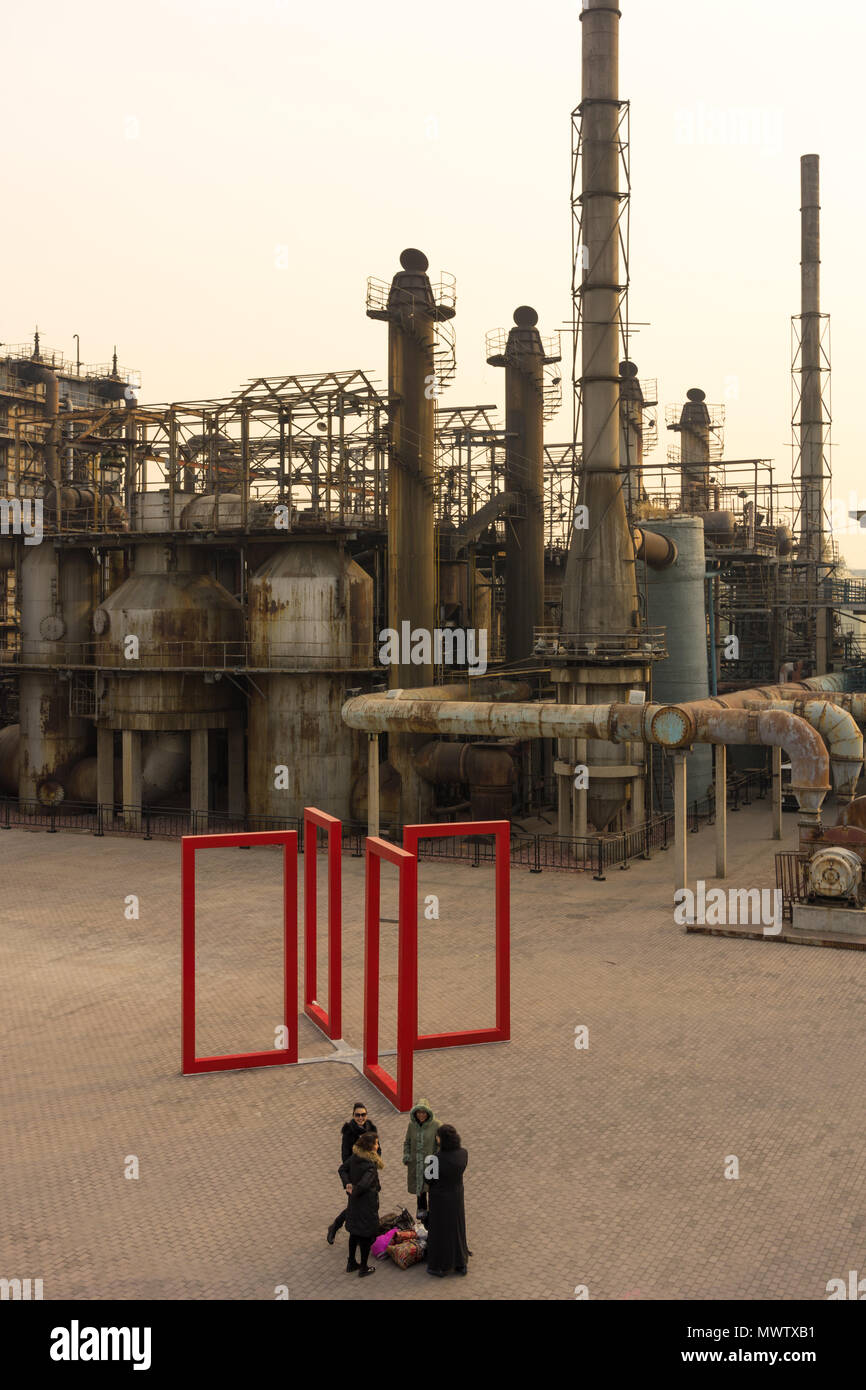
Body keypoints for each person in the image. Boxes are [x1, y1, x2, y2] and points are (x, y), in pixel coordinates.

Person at [327, 1103, 381, 1245]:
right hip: (355, 1175)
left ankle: (370, 1233)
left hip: (370, 1173)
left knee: (371, 1204)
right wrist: (351, 1175)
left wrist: (373, 1163)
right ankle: (335, 1226)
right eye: (357, 1115)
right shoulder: (348, 1132)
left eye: (363, 1114)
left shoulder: (371, 1129)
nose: (360, 1117)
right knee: (354, 1206)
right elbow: (345, 1156)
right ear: (353, 1116)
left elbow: (378, 1149)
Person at [425, 1123, 470, 1278]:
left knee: (440, 1231)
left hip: (439, 1200)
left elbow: (428, 1179)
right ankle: (460, 1262)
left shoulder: (435, 1159)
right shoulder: (463, 1154)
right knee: (457, 1227)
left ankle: (440, 1265)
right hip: (456, 1197)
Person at [338, 1131, 383, 1277]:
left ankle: (351, 1262)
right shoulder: (370, 1165)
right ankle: (363, 1267)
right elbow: (364, 1184)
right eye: (376, 1143)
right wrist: (355, 1190)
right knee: (365, 1236)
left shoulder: (355, 1156)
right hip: (367, 1205)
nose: (378, 1145)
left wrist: (348, 1184)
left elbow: (342, 1169)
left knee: (354, 1233)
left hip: (354, 1203)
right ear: (370, 1146)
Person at [402, 1098, 438, 1222]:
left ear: (428, 1113)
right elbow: (407, 1142)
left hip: (431, 1165)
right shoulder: (412, 1126)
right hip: (416, 1164)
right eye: (419, 1112)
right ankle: (423, 1217)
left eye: (424, 1112)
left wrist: (436, 1159)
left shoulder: (436, 1125)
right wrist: (407, 1156)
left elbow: (440, 1144)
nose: (421, 1115)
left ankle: (434, 1217)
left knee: (432, 1191)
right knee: (420, 1191)